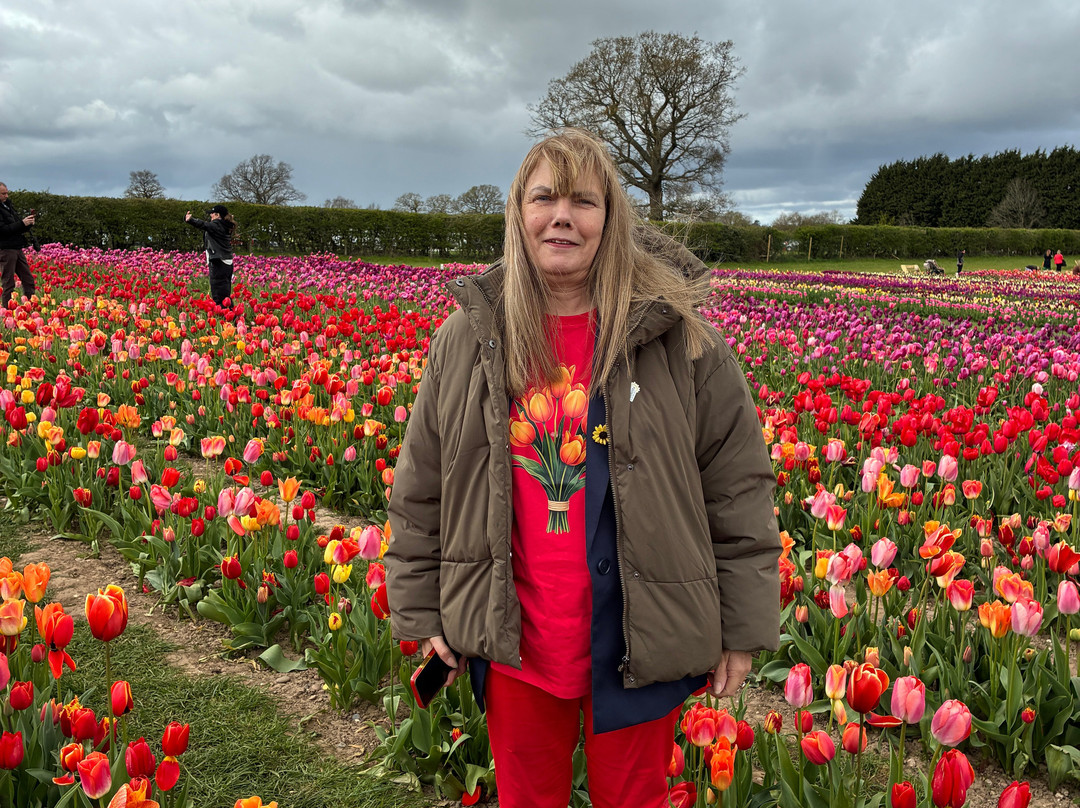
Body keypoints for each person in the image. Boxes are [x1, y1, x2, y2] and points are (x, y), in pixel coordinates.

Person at [385, 129, 781, 808]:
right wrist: (424, 610)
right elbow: (423, 484)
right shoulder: (468, 338)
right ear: (518, 214)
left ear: (611, 219)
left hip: (642, 635)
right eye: (544, 197)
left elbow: (737, 487)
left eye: (583, 200)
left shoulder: (679, 337)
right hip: (518, 643)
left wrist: (741, 630)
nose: (561, 215)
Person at [185, 204, 236, 305]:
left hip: (219, 263)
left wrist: (191, 220)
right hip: (226, 262)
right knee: (225, 294)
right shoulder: (225, 225)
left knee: (218, 296)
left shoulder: (217, 225)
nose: (210, 216)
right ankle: (232, 316)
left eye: (212, 214)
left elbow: (204, 225)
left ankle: (226, 317)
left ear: (218, 215)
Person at [0, 183, 37, 309]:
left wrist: (28, 224)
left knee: (28, 280)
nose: (7, 195)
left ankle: (29, 308)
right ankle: (7, 313)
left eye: (7, 193)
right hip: (5, 249)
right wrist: (22, 223)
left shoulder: (8, 206)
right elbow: (3, 230)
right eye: (3, 194)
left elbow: (17, 227)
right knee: (8, 283)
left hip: (17, 247)